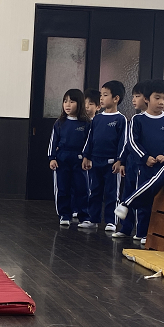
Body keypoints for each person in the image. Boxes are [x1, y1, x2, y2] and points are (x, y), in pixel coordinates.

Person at [119, 79, 164, 244]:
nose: (161, 102)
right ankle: (141, 233)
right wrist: (145, 157)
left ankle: (154, 233)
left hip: (163, 169)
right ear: (147, 99)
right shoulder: (137, 120)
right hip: (143, 167)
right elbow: (132, 142)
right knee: (142, 199)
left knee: (161, 201)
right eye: (157, 98)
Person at [80, 81, 127, 231]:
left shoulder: (121, 119)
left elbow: (123, 142)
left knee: (112, 193)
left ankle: (111, 221)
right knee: (94, 191)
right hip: (95, 161)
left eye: (105, 95)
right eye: (101, 95)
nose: (101, 98)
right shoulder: (97, 119)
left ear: (116, 98)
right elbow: (90, 139)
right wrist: (86, 156)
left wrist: (120, 160)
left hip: (112, 164)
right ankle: (92, 219)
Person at [112, 80, 149, 239]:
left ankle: (141, 232)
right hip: (132, 163)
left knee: (141, 197)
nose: (133, 100)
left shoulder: (153, 120)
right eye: (133, 96)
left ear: (147, 98)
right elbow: (129, 143)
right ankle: (125, 228)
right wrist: (122, 161)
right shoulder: (135, 119)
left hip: (146, 165)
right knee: (127, 194)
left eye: (137, 96)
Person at [48, 89, 90, 227]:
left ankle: (84, 216)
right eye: (65, 101)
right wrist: (52, 157)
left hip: (79, 160)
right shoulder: (59, 123)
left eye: (72, 101)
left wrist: (87, 157)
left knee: (82, 188)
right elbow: (53, 141)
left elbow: (89, 143)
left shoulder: (86, 123)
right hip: (62, 159)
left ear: (80, 104)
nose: (67, 104)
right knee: (63, 188)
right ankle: (64, 215)